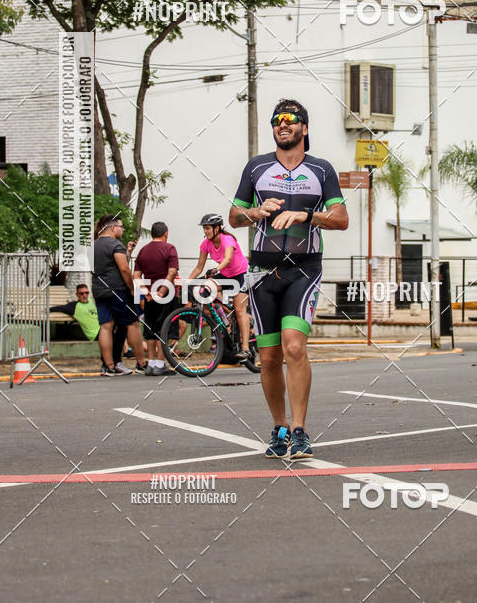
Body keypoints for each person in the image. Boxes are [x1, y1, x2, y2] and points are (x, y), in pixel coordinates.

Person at [229, 99, 348, 459]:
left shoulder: (322, 170)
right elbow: (233, 216)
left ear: (304, 128)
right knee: (268, 357)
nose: (283, 124)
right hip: (262, 270)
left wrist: (306, 215)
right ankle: (279, 427)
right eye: (277, 120)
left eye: (291, 119)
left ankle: (299, 431)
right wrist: (254, 211)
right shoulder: (256, 167)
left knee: (294, 345)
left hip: (303, 269)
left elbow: (341, 219)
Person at [188, 214, 251, 361]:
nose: (205, 231)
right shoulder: (206, 244)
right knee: (203, 289)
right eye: (204, 228)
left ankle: (246, 348)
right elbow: (199, 267)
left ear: (217, 228)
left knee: (239, 309)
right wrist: (187, 282)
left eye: (208, 228)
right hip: (226, 275)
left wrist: (216, 269)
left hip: (241, 275)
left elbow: (228, 259)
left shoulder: (227, 239)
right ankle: (225, 320)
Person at [92, 214, 147, 376]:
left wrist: (128, 252)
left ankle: (108, 366)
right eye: (121, 227)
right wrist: (131, 288)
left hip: (99, 290)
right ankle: (141, 363)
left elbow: (109, 266)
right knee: (133, 324)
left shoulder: (92, 245)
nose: (122, 230)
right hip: (117, 290)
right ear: (113, 227)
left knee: (106, 327)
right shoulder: (115, 244)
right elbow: (124, 269)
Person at [51, 283, 131, 376]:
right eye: (81, 294)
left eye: (86, 293)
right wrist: (46, 310)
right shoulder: (73, 306)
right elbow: (59, 308)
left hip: (103, 327)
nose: (84, 295)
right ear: (77, 295)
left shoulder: (91, 302)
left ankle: (118, 362)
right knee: (111, 337)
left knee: (123, 328)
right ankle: (109, 365)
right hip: (95, 332)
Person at [133, 221, 178, 376]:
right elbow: (172, 272)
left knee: (151, 329)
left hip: (149, 297)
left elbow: (136, 276)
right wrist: (162, 291)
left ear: (152, 234)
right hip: (167, 295)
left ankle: (151, 364)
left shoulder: (143, 251)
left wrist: (145, 292)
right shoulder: (170, 248)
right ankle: (160, 364)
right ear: (166, 233)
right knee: (164, 329)